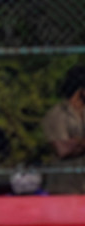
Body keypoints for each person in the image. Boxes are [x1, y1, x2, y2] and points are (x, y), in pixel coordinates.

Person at [42, 64, 85, 195]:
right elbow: (63, 149)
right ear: (81, 90)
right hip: (65, 187)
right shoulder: (58, 114)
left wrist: (77, 142)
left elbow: (70, 145)